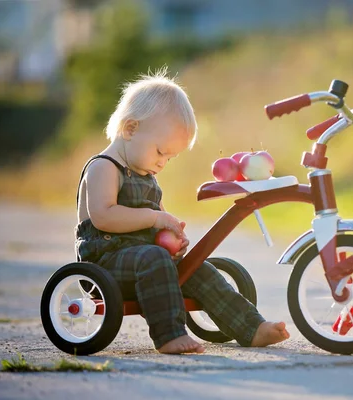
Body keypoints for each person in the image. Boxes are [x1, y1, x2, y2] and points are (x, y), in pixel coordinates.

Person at [74, 70, 289, 354]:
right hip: (107, 265)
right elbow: (104, 216)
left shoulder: (145, 171)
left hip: (150, 262)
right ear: (130, 129)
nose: (163, 163)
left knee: (198, 268)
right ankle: (169, 335)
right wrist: (155, 219)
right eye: (161, 152)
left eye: (170, 158)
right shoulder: (103, 167)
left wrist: (172, 236)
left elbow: (157, 224)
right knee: (154, 257)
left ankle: (251, 327)